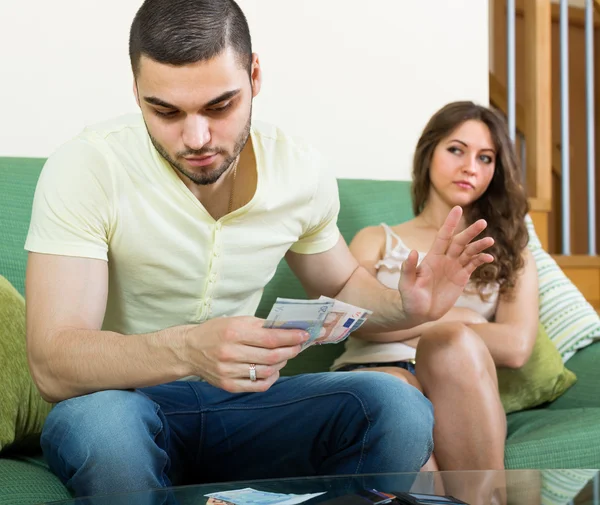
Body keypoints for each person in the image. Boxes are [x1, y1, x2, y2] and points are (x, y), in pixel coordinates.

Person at [24, 1, 494, 498]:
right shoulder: (87, 166)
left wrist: (404, 306)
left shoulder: (298, 170)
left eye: (219, 106)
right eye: (165, 111)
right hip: (123, 405)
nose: (196, 138)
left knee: (396, 408)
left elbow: (340, 283)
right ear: (136, 90)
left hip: (246, 408)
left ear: (254, 75)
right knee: (105, 431)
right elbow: (53, 363)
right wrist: (188, 347)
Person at [332, 101, 539, 475]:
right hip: (376, 369)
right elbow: (349, 319)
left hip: (458, 381)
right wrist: (456, 316)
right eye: (456, 149)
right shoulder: (376, 239)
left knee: (451, 344)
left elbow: (517, 346)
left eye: (486, 158)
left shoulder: (510, 246)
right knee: (397, 391)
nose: (470, 167)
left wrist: (428, 329)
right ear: (429, 153)